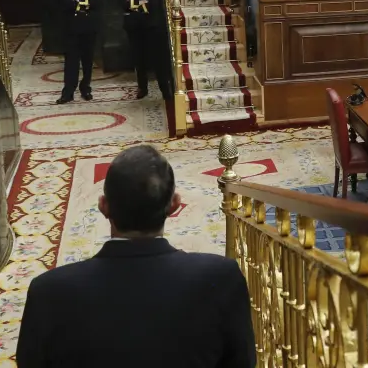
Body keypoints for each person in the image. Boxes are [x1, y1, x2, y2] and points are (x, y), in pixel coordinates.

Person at [16, 144, 254, 368]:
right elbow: (242, 362)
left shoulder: (47, 292)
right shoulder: (221, 278)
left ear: (103, 206)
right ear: (174, 205)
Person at [121, 0, 173, 100]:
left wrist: (133, 4)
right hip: (134, 27)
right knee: (139, 59)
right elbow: (123, 3)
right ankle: (142, 87)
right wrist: (142, 4)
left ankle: (165, 89)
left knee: (158, 59)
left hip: (151, 26)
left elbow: (153, 4)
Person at [57, 0, 100, 104]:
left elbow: (98, 2)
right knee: (71, 62)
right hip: (71, 28)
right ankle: (68, 92)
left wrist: (76, 1)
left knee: (88, 61)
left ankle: (86, 88)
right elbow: (64, 3)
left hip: (89, 27)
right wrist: (88, 0)